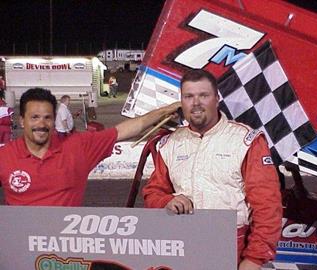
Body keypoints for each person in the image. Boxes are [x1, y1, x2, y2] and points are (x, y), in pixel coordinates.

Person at [142, 69, 282, 269]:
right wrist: (167, 201)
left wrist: (254, 259)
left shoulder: (245, 140)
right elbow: (152, 193)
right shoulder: (170, 144)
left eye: (203, 95)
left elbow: (268, 206)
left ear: (216, 99)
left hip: (233, 247)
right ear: (181, 101)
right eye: (189, 96)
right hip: (181, 245)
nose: (196, 102)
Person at [0, 87, 180, 206]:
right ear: (22, 121)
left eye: (47, 117)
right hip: (20, 251)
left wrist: (166, 110)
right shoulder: (4, 156)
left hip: (67, 253)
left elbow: (125, 130)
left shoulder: (78, 146)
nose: (41, 123)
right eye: (34, 117)